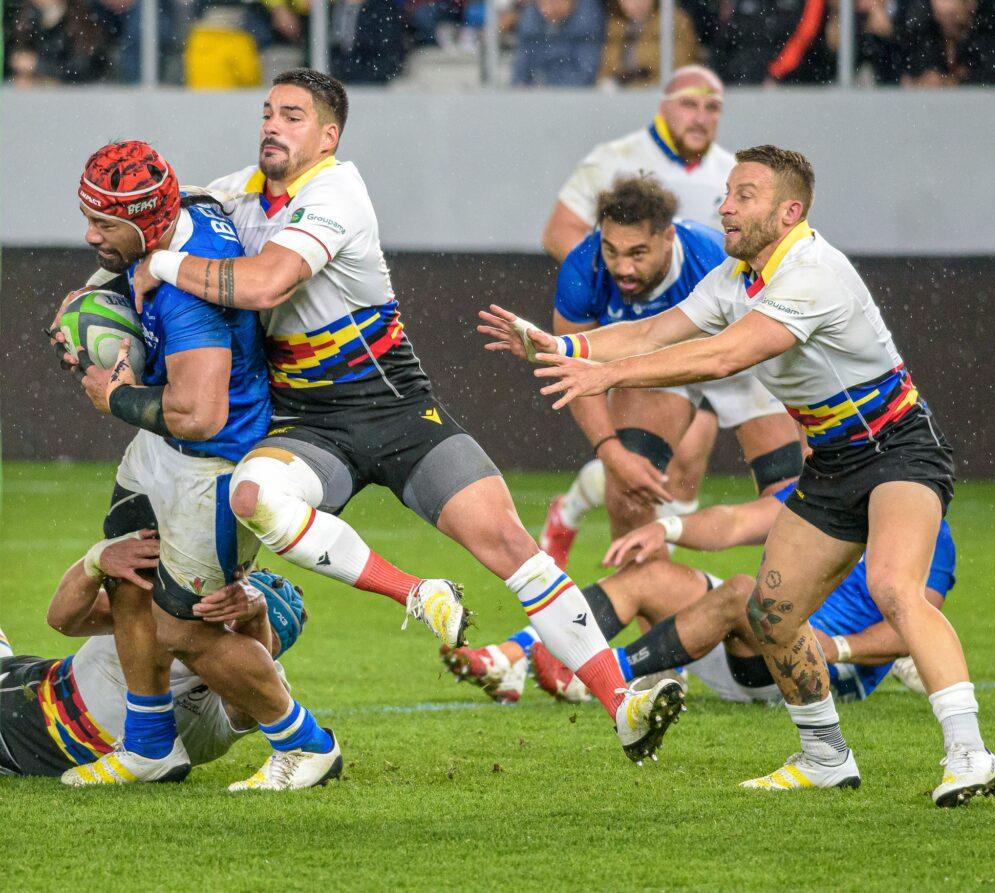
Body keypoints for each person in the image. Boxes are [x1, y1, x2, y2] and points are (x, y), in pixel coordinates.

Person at [130, 69, 683, 763]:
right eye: (268, 112)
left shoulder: (338, 192)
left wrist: (165, 262)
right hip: (309, 421)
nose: (273, 124)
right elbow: (150, 222)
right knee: (254, 493)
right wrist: (96, 288)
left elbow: (267, 281)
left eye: (293, 116)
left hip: (394, 407)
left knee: (512, 545)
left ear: (327, 136)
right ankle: (418, 592)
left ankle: (622, 703)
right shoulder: (232, 193)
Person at [478, 145, 995, 806]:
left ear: (790, 211)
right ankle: (824, 756)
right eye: (727, 192)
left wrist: (609, 374)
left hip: (898, 447)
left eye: (745, 194)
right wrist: (563, 346)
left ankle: (971, 754)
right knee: (772, 612)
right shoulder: (735, 276)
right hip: (836, 461)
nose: (725, 205)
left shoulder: (813, 270)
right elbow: (653, 332)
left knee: (895, 585)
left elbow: (726, 353)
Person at [52, 140, 340, 791]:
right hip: (163, 455)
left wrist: (115, 395)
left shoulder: (190, 301)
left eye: (104, 223)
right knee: (129, 566)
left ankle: (306, 741)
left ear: (146, 221)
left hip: (210, 465)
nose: (90, 233)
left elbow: (201, 411)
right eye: (89, 216)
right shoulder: (187, 211)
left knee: (185, 628)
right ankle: (150, 745)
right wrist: (88, 299)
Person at [538, 66, 802, 564]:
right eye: (690, 103)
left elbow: (770, 320)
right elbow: (561, 236)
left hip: (738, 349)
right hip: (657, 348)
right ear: (663, 105)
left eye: (713, 106)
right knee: (633, 483)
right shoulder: (611, 167)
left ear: (668, 236)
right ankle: (655, 609)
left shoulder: (732, 181)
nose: (701, 115)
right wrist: (620, 279)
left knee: (795, 501)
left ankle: (805, 624)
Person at [444, 481, 955, 711]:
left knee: (741, 592)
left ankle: (603, 673)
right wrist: (666, 529)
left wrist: (838, 648)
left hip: (822, 670)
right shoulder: (824, 490)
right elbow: (735, 520)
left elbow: (915, 628)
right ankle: (511, 656)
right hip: (758, 639)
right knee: (649, 576)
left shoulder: (931, 531)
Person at [0, 532, 309, 779]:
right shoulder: (170, 617)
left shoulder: (266, 697)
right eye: (229, 609)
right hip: (26, 696)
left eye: (241, 621)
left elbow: (251, 691)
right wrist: (96, 560)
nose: (230, 626)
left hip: (31, 740)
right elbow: (62, 618)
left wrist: (256, 618)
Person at [511, 0, 606, 88]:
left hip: (573, 98)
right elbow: (519, 74)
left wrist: (546, 87)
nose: (553, 5)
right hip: (536, 97)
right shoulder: (530, 20)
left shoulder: (588, 19)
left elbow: (585, 76)